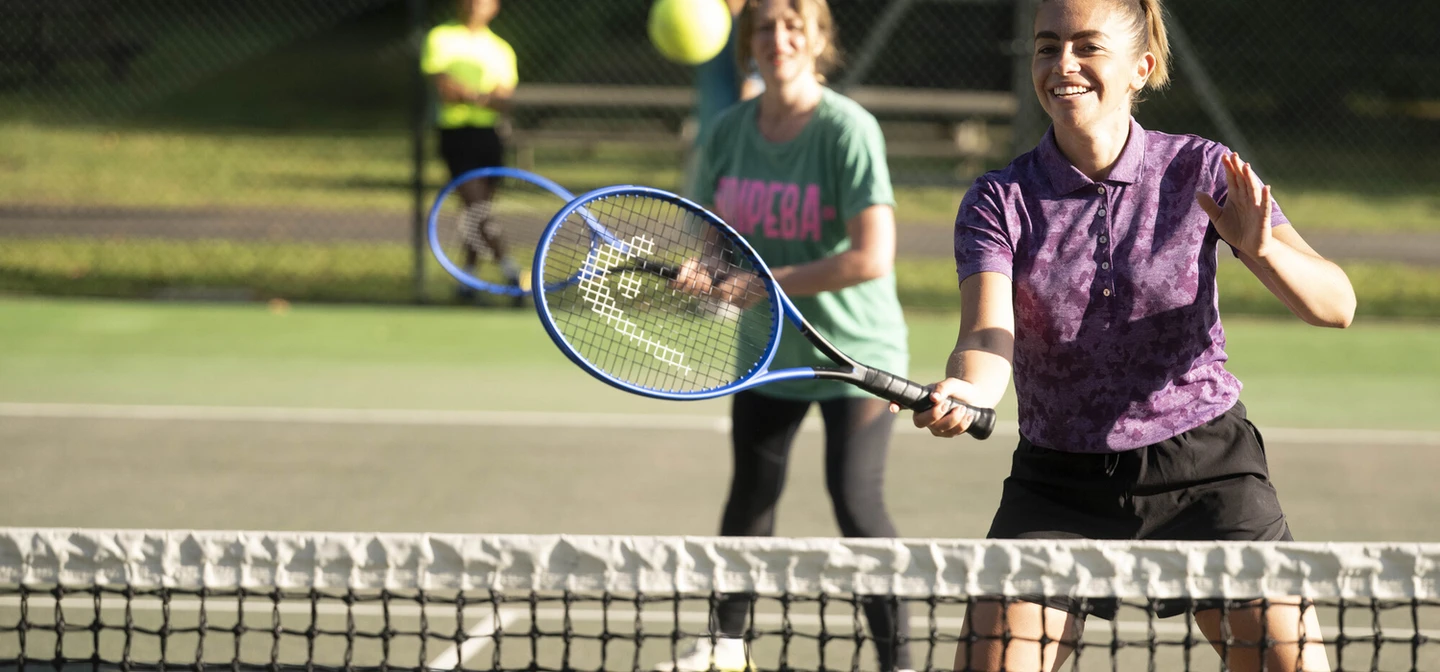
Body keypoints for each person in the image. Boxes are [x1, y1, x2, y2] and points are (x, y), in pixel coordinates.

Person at [904, 0, 1356, 670]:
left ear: (1141, 67)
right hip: (1059, 480)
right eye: (1047, 46)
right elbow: (987, 334)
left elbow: (1336, 305)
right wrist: (968, 388)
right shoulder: (999, 200)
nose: (1063, 65)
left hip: (1206, 471)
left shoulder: (1203, 170)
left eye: (1087, 46)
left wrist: (1264, 252)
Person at [655, 1, 915, 672]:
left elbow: (871, 258)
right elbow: (715, 236)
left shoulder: (847, 130)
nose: (778, 38)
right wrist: (702, 267)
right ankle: (725, 646)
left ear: (819, 38)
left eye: (794, 25)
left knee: (855, 502)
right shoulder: (728, 130)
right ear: (748, 42)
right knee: (751, 497)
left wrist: (763, 286)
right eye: (765, 27)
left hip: (856, 353)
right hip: (768, 352)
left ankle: (900, 662)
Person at [421, 0, 521, 303]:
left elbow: (502, 99)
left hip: (489, 136)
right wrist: (479, 96)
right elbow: (446, 90)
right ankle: (512, 272)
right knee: (477, 208)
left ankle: (467, 279)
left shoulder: (501, 49)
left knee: (477, 212)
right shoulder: (440, 38)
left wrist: (474, 96)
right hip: (456, 135)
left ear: (495, 7)